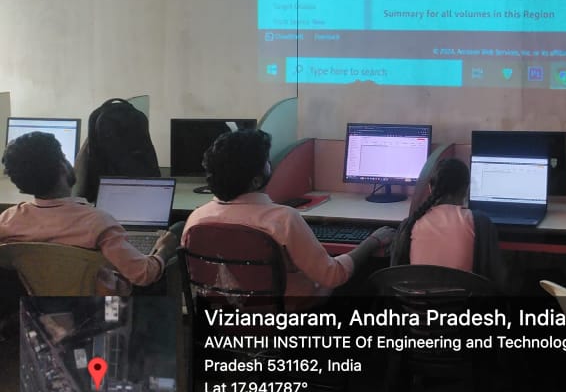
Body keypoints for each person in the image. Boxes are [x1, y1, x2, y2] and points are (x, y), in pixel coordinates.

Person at [182, 128, 394, 298]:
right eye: (266, 162)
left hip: (222, 314)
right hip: (283, 312)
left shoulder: (197, 219)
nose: (270, 165)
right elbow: (333, 275)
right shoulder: (282, 220)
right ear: (256, 180)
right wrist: (371, 242)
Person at [0, 131, 177, 290]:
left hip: (36, 309)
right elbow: (143, 274)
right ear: (63, 167)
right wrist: (164, 249)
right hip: (100, 309)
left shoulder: (7, 221)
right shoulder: (97, 223)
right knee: (177, 231)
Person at [390, 157, 507, 288]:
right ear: (466, 189)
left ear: (430, 187)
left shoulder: (410, 224)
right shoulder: (480, 222)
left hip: (416, 300)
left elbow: (396, 277)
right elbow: (497, 277)